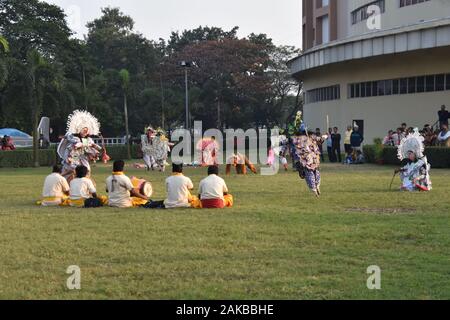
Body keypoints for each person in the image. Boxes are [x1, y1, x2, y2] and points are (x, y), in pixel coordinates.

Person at [57, 110, 104, 182]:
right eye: (84, 130)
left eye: (86, 130)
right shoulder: (73, 137)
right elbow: (75, 143)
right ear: (79, 129)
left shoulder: (88, 139)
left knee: (87, 170)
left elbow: (89, 149)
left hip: (82, 157)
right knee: (72, 169)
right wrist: (81, 145)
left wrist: (95, 151)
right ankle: (62, 180)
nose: (85, 132)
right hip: (74, 155)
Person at [292, 122, 326, 197]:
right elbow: (321, 140)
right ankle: (316, 187)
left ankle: (315, 189)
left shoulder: (299, 139)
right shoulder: (309, 138)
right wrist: (325, 136)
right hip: (311, 158)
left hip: (308, 159)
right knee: (314, 172)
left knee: (310, 173)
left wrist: (324, 136)